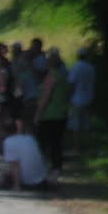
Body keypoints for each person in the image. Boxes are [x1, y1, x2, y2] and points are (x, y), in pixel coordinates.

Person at [34, 48, 70, 176]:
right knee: (57, 142)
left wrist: (38, 113)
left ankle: (44, 168)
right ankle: (56, 167)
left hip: (49, 114)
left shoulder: (51, 76)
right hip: (61, 113)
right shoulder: (63, 75)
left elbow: (45, 97)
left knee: (44, 142)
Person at [0, 115, 56, 192]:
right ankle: (48, 182)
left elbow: (15, 166)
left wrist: (16, 186)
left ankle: (17, 185)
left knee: (3, 176)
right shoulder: (30, 138)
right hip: (42, 178)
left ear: (3, 131)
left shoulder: (8, 142)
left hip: (27, 180)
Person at [67, 44, 97, 160]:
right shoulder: (91, 68)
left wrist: (68, 96)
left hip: (77, 99)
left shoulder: (76, 67)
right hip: (89, 98)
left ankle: (77, 147)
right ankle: (88, 146)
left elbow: (72, 83)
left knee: (75, 124)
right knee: (86, 124)